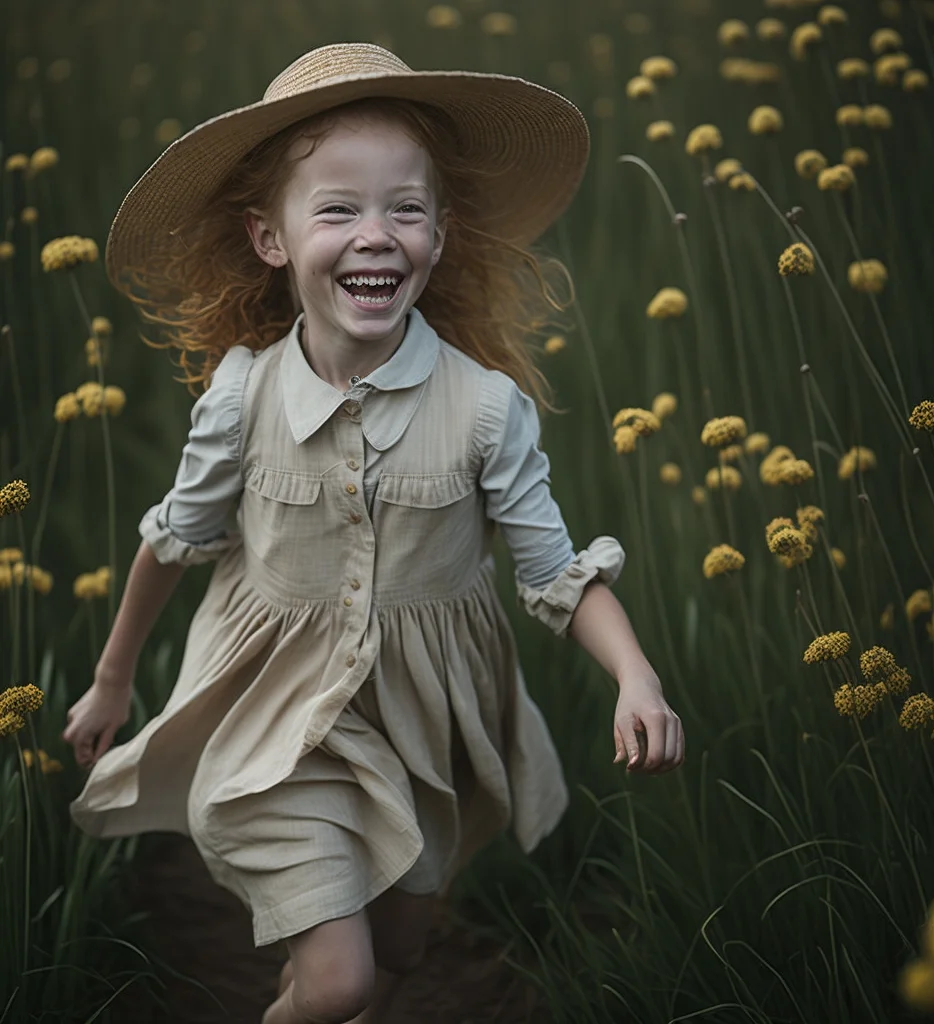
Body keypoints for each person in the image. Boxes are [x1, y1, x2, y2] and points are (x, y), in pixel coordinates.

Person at [62, 42, 685, 1024]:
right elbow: (173, 540)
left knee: (387, 957)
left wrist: (635, 674)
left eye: (405, 208)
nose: (375, 235)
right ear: (272, 238)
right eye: (337, 209)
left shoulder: (486, 410)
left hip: (424, 725)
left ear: (439, 233)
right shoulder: (241, 399)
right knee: (345, 980)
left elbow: (554, 572)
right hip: (278, 717)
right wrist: (110, 676)